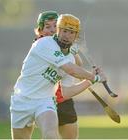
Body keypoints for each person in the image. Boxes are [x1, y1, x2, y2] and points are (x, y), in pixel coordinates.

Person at [10, 13, 106, 139]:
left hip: (45, 101)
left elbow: (65, 93)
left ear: (76, 36)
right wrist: (94, 78)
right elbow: (71, 70)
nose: (67, 36)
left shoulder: (70, 58)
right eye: (65, 31)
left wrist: (90, 82)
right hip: (22, 99)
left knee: (51, 133)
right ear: (58, 31)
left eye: (72, 32)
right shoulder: (45, 43)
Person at [34, 11, 82, 139]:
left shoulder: (62, 46)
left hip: (63, 100)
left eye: (55, 26)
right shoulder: (41, 45)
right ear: (40, 30)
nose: (51, 30)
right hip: (44, 101)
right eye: (47, 27)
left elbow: (78, 65)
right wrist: (92, 79)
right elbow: (73, 69)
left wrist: (71, 50)